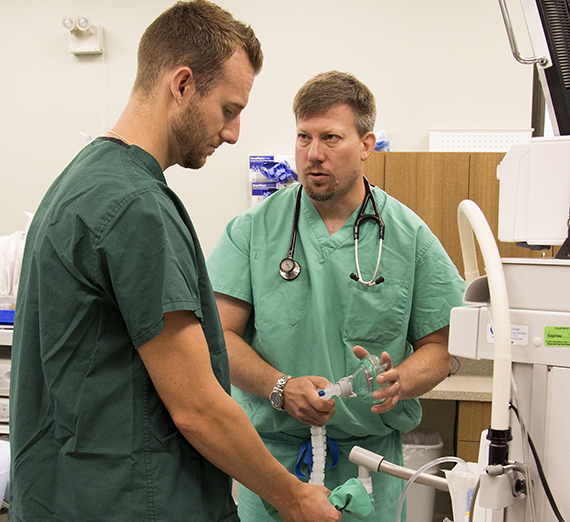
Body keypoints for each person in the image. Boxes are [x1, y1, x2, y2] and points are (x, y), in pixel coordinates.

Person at [9, 3, 342, 522]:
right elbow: (198, 408)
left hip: (68, 495)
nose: (232, 133)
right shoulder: (136, 206)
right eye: (229, 109)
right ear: (183, 85)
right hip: (134, 500)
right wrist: (294, 497)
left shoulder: (79, 182)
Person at [207, 70, 467, 521]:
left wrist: (403, 380)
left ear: (366, 145)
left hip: (370, 467)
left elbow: (442, 346)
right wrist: (280, 387)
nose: (313, 154)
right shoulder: (253, 232)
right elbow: (217, 338)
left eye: (330, 138)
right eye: (303, 137)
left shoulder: (409, 238)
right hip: (272, 465)